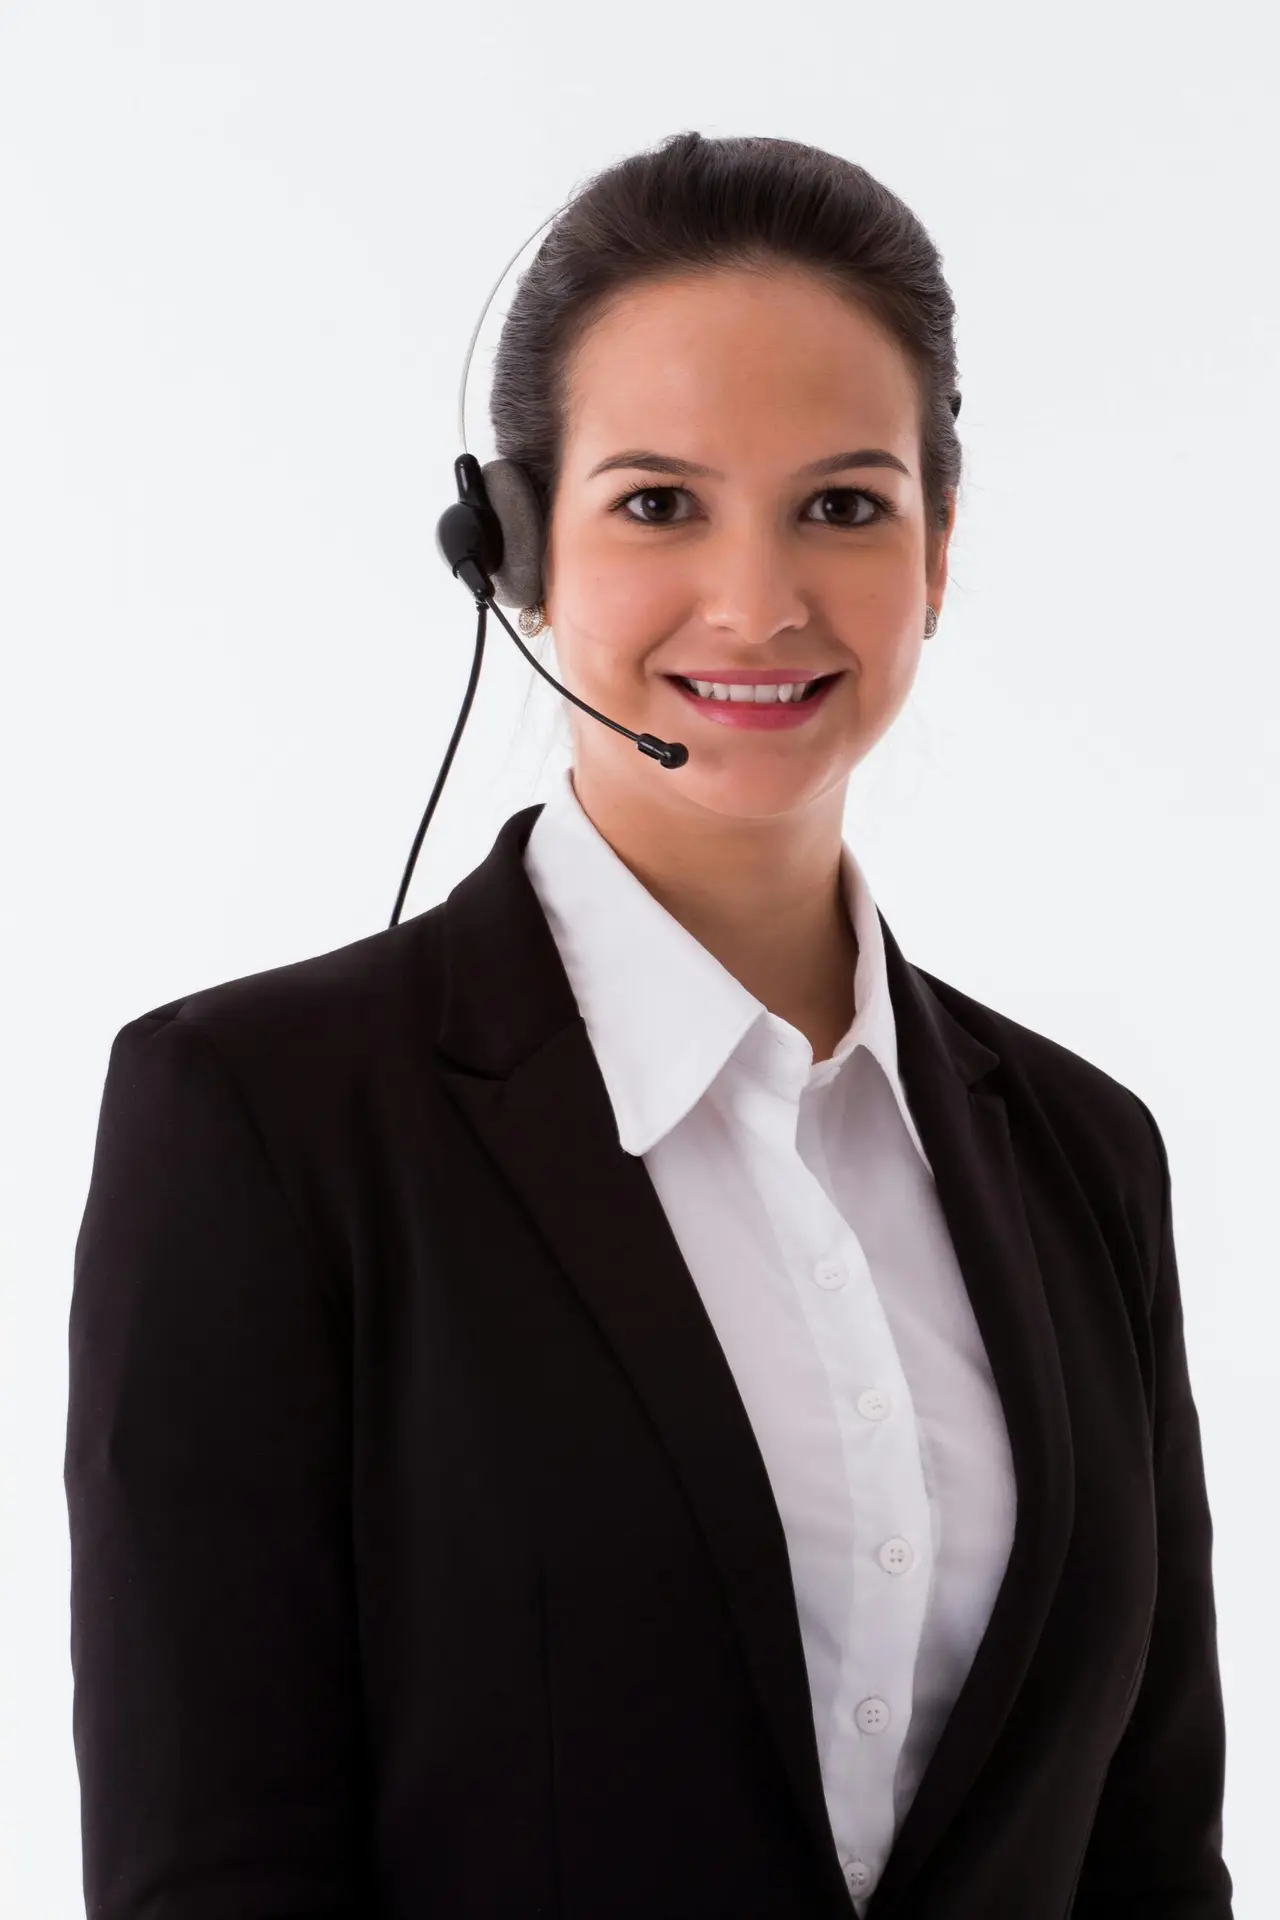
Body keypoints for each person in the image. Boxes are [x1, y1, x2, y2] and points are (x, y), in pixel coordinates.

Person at [64, 130, 1233, 1919]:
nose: (758, 602)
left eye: (843, 504)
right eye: (659, 503)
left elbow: (1151, 1858)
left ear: (936, 554)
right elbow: (214, 1870)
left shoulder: (1085, 1151)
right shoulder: (257, 1121)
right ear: (513, 551)